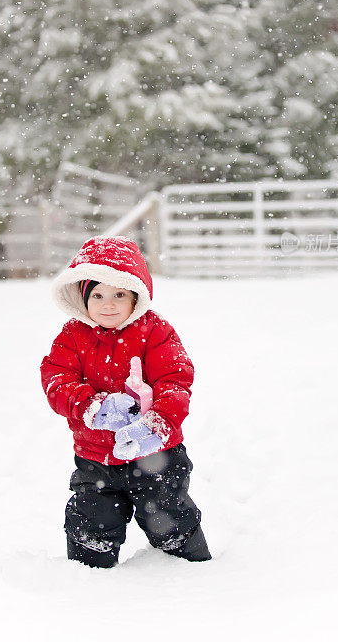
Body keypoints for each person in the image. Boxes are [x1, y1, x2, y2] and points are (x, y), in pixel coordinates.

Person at [40, 235, 211, 568]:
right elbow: (56, 380)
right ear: (82, 297)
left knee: (169, 514)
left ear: (136, 294)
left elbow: (175, 381)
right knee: (92, 521)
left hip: (155, 455)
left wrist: (156, 424)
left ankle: (193, 571)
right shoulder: (72, 336)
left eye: (119, 294)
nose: (109, 304)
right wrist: (91, 407)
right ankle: (89, 578)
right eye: (98, 295)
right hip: (95, 456)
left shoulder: (155, 330)